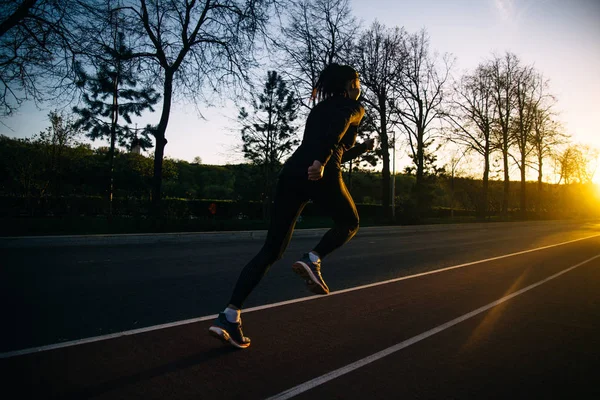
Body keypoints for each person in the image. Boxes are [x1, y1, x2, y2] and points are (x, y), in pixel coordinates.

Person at [209, 63, 374, 349]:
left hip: (292, 174)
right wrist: (321, 162)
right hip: (319, 171)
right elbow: (334, 136)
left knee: (271, 250)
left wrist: (357, 150)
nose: (359, 86)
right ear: (349, 84)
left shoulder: (318, 109)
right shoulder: (353, 107)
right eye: (357, 81)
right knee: (350, 221)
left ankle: (229, 315)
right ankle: (312, 259)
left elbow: (334, 147)